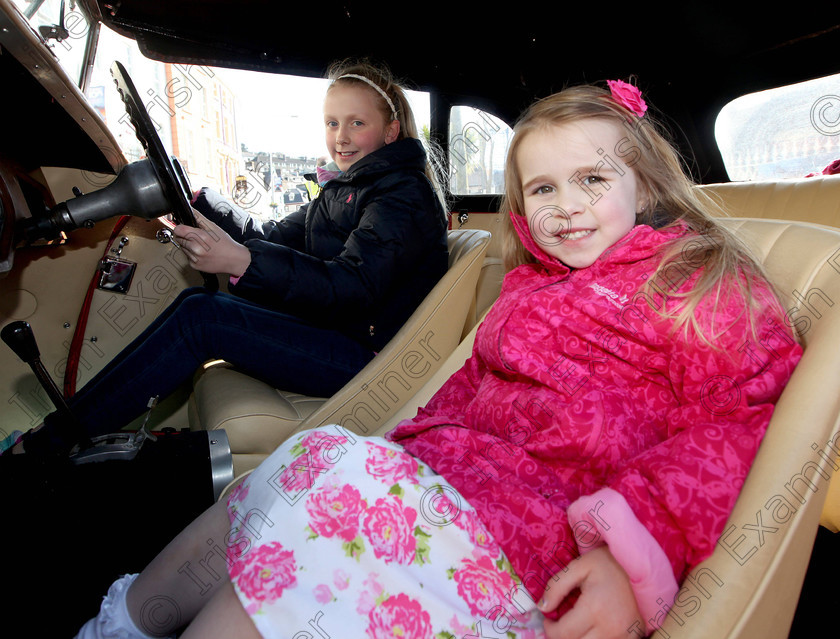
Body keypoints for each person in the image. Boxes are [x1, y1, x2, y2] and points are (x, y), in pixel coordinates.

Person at [74, 80, 801, 639]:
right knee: (308, 463)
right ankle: (119, 623)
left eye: (593, 180)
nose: (566, 207)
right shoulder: (531, 285)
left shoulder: (693, 281)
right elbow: (464, 392)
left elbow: (742, 427)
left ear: (641, 184)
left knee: (330, 496)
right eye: (543, 189)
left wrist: (628, 551)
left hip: (532, 535)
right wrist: (399, 450)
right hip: (452, 485)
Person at [3, 59, 449, 458]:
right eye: (332, 123)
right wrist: (199, 197)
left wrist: (241, 262)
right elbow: (271, 236)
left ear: (391, 131)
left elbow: (352, 285)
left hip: (369, 359)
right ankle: (62, 438)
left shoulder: (402, 193)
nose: (341, 137)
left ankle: (42, 450)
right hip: (337, 332)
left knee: (204, 317)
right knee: (198, 308)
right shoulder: (343, 187)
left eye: (357, 123)